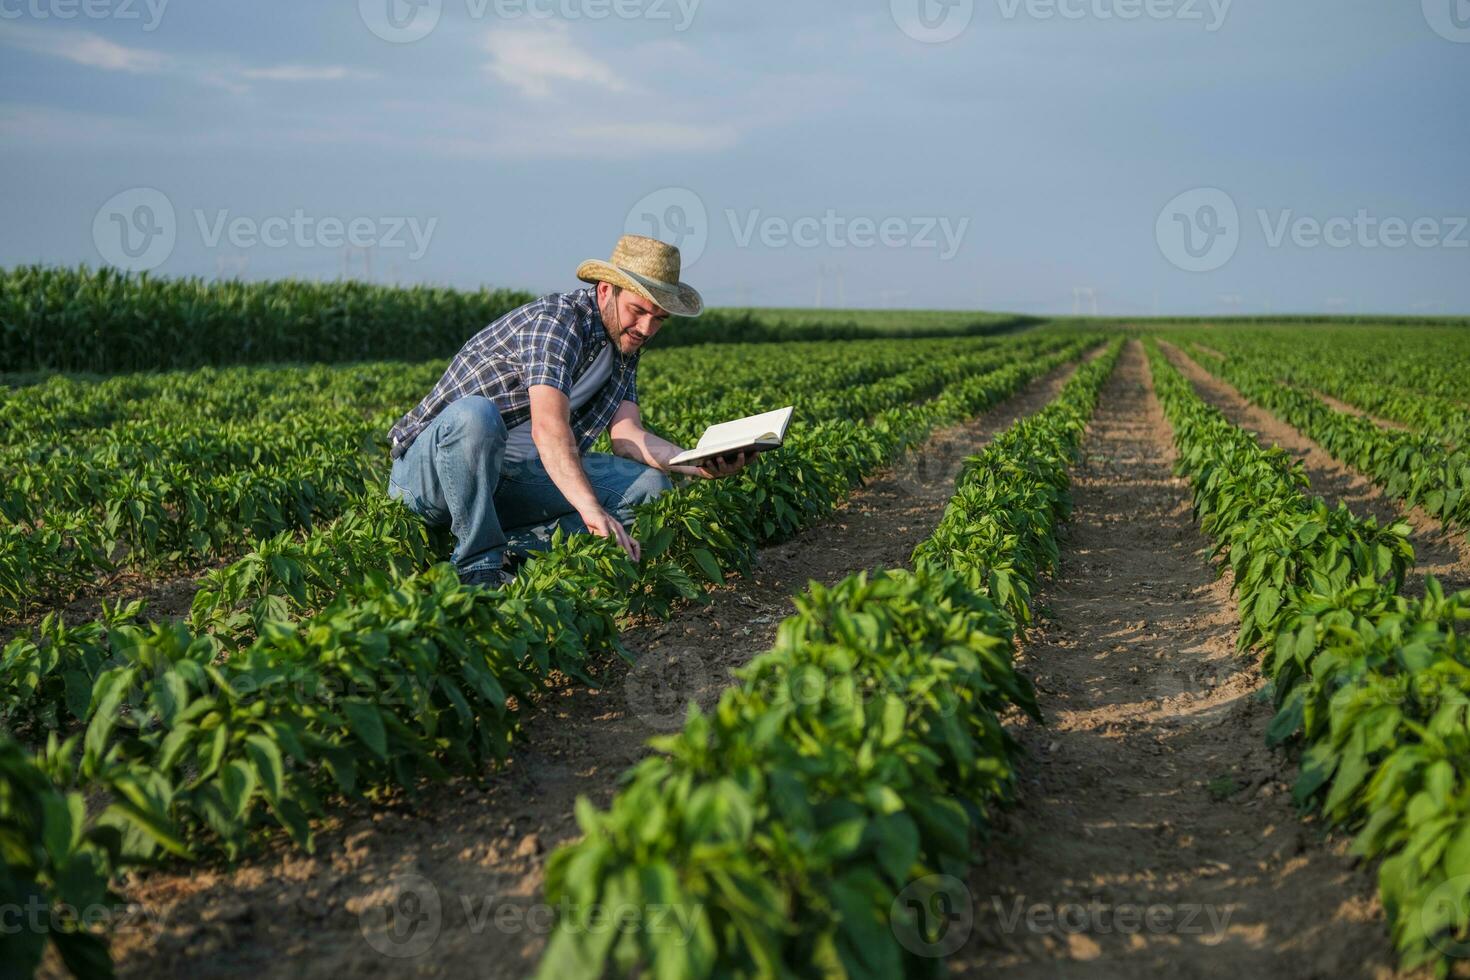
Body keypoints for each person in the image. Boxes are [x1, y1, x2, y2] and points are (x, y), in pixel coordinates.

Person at [386, 235, 756, 587]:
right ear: (606, 290)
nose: (646, 328)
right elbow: (548, 428)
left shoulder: (622, 350)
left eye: (659, 318)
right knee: (476, 416)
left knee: (649, 488)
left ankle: (510, 554)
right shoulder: (557, 324)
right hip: (431, 478)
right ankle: (477, 569)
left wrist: (697, 462)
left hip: (508, 481)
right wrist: (590, 507)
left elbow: (627, 437)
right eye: (638, 310)